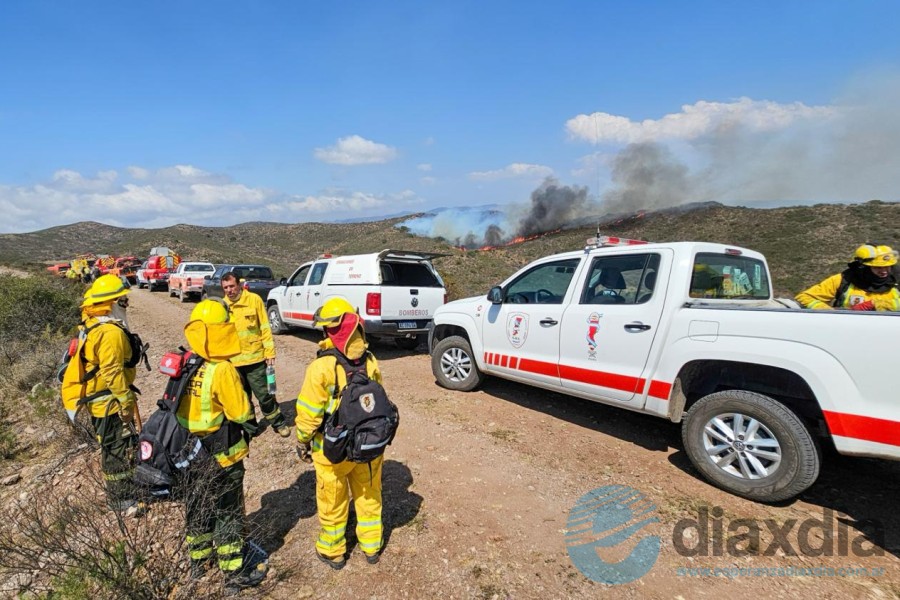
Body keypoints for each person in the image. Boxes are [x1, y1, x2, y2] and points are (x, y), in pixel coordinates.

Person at [178, 300, 267, 591]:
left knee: (197, 506)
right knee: (227, 510)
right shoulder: (222, 369)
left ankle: (198, 563)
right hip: (222, 454)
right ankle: (233, 574)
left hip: (187, 453)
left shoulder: (186, 361)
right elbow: (241, 412)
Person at [295, 297, 385, 569]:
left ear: (330, 331)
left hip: (331, 449)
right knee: (369, 495)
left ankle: (333, 552)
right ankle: (371, 546)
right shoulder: (369, 359)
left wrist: (302, 440)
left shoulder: (322, 367)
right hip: (368, 445)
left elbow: (310, 413)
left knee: (332, 501)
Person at [60, 274, 143, 514]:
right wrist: (125, 401)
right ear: (112, 303)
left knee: (113, 445)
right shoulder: (110, 333)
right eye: (123, 300)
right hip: (110, 401)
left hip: (101, 399)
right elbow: (112, 371)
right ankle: (121, 498)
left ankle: (123, 490)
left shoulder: (92, 325)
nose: (126, 304)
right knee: (116, 447)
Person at [221, 272, 290, 438]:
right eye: (225, 288)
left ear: (238, 284)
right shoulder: (222, 305)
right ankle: (250, 428)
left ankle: (278, 423)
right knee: (242, 398)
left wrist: (269, 352)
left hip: (256, 359)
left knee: (265, 395)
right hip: (233, 363)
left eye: (231, 286)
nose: (229, 290)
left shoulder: (254, 300)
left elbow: (265, 328)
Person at [796, 244, 900, 311]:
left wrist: (876, 304)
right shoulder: (843, 280)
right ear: (863, 267)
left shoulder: (897, 280)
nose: (884, 271)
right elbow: (804, 297)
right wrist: (828, 312)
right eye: (878, 267)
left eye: (888, 266)